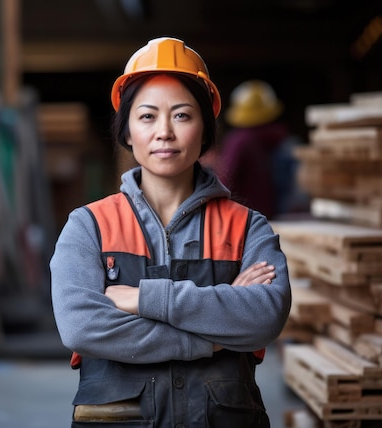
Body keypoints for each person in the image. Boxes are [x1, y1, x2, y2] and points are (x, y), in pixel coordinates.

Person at [50, 37, 291, 427]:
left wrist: (140, 298)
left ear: (205, 130)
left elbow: (265, 317)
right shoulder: (88, 226)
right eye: (147, 116)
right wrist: (212, 337)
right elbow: (82, 326)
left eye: (182, 115)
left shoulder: (248, 228)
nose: (164, 132)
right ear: (127, 132)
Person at [217, 79, 301, 219]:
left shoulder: (238, 141)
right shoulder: (283, 142)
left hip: (244, 220)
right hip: (274, 218)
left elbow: (225, 183)